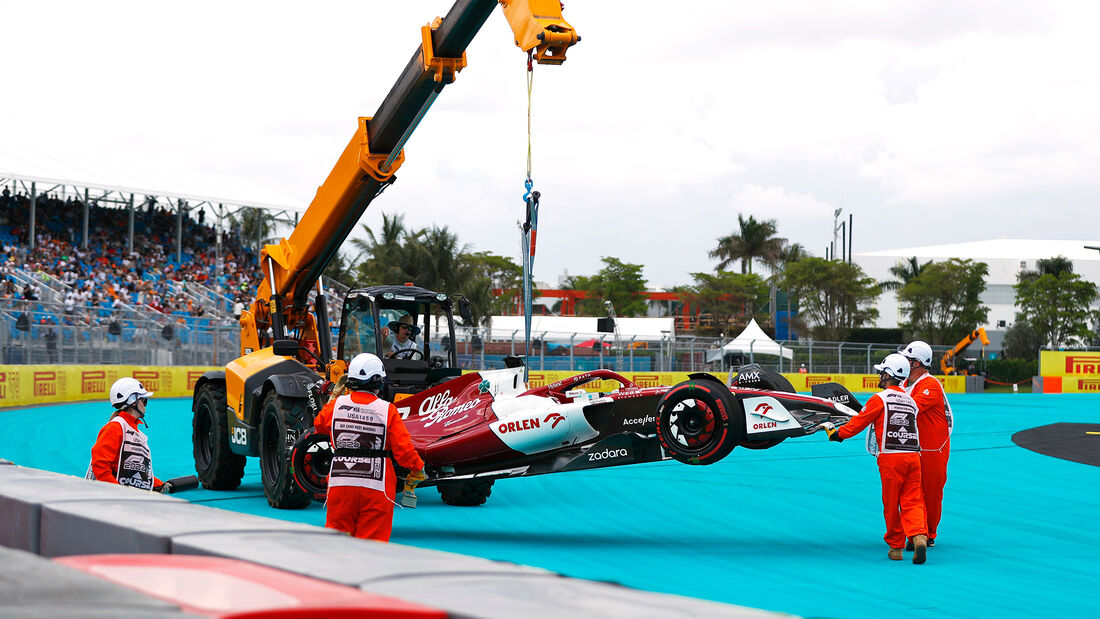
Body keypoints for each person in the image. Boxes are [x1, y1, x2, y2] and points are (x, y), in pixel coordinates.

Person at [824, 353, 928, 564]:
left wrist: (838, 434)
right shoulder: (910, 400)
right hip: (914, 457)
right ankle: (919, 537)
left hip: (891, 459)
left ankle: (896, 547)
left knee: (891, 504)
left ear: (890, 374)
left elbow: (859, 422)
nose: (880, 375)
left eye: (882, 372)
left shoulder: (879, 399)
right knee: (913, 501)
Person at [313, 353, 425, 541]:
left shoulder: (337, 405)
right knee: (372, 548)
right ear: (377, 382)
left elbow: (320, 424)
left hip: (341, 485)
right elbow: (404, 452)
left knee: (336, 545)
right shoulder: (387, 410)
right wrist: (418, 467)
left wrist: (334, 396)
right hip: (376, 487)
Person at [900, 340, 952, 550]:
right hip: (913, 447)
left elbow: (911, 406)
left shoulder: (930, 384)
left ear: (917, 363)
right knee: (910, 491)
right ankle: (914, 531)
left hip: (932, 450)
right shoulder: (904, 384)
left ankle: (928, 533)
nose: (903, 362)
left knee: (930, 492)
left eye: (907, 359)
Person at [86, 377, 169, 492]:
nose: (145, 404)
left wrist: (158, 484)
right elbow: (100, 466)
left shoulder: (135, 432)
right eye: (143, 399)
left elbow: (138, 471)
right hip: (112, 498)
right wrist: (118, 492)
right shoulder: (114, 428)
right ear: (132, 401)